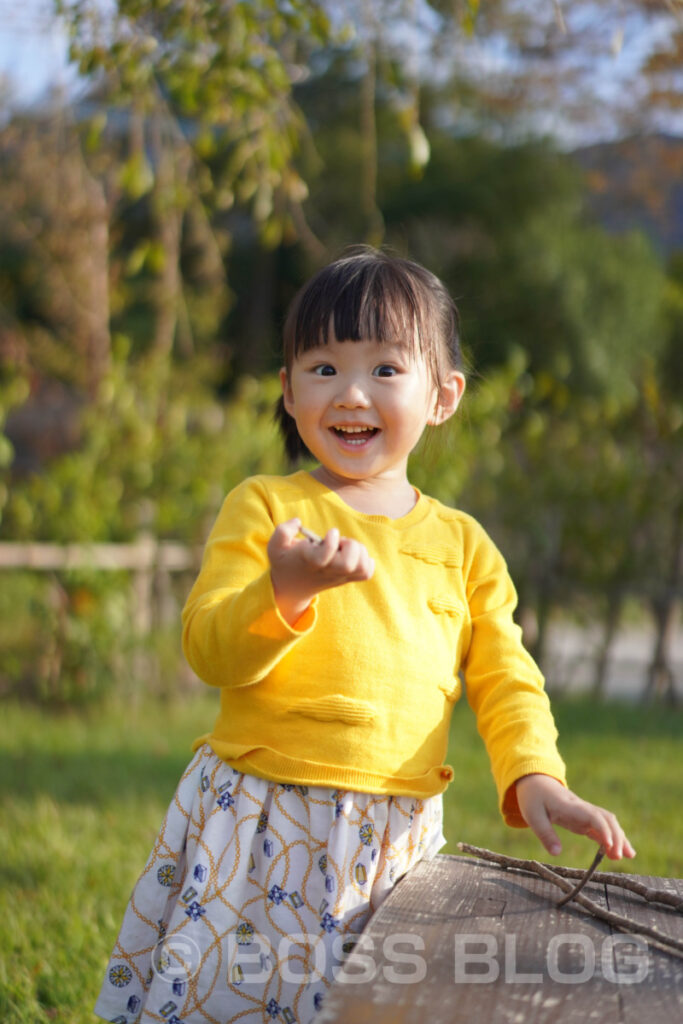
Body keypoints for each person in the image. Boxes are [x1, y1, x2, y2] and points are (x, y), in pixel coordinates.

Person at [94, 247, 635, 1024]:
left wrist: (533, 776)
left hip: (392, 837)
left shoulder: (462, 545)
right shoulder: (265, 508)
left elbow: (504, 676)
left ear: (442, 395)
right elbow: (207, 649)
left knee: (366, 1007)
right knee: (232, 996)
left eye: (385, 369)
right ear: (287, 391)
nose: (350, 393)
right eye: (322, 368)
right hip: (258, 821)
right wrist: (284, 592)